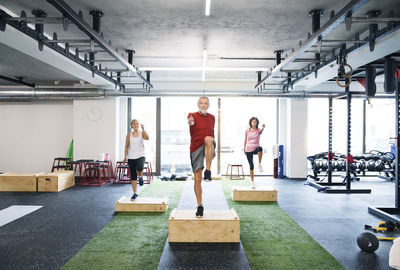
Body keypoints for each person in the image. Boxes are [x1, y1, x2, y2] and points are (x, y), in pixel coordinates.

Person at [187, 96, 215, 217]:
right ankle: (200, 206)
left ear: (208, 105)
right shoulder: (192, 115)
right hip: (195, 147)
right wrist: (191, 122)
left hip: (208, 143)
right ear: (198, 104)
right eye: (201, 103)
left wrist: (214, 150)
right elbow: (191, 122)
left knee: (208, 139)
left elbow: (212, 133)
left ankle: (208, 171)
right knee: (197, 179)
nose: (203, 105)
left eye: (205, 103)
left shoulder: (212, 118)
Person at [123, 119, 149, 200]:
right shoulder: (129, 135)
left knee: (140, 167)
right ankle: (135, 193)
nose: (136, 125)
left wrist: (144, 129)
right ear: (132, 126)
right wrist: (125, 156)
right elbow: (126, 146)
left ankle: (140, 176)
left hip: (141, 155)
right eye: (134, 124)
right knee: (133, 175)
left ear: (139, 125)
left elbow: (147, 138)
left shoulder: (142, 133)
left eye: (137, 124)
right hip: (131, 157)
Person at [244, 117, 265, 188]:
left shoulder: (258, 130)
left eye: (255, 122)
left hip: (256, 148)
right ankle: (252, 182)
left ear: (257, 123)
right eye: (253, 121)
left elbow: (261, 131)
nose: (254, 123)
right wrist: (244, 149)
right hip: (248, 149)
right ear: (250, 123)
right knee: (251, 166)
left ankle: (259, 164)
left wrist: (263, 128)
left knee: (260, 149)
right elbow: (245, 139)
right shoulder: (247, 130)